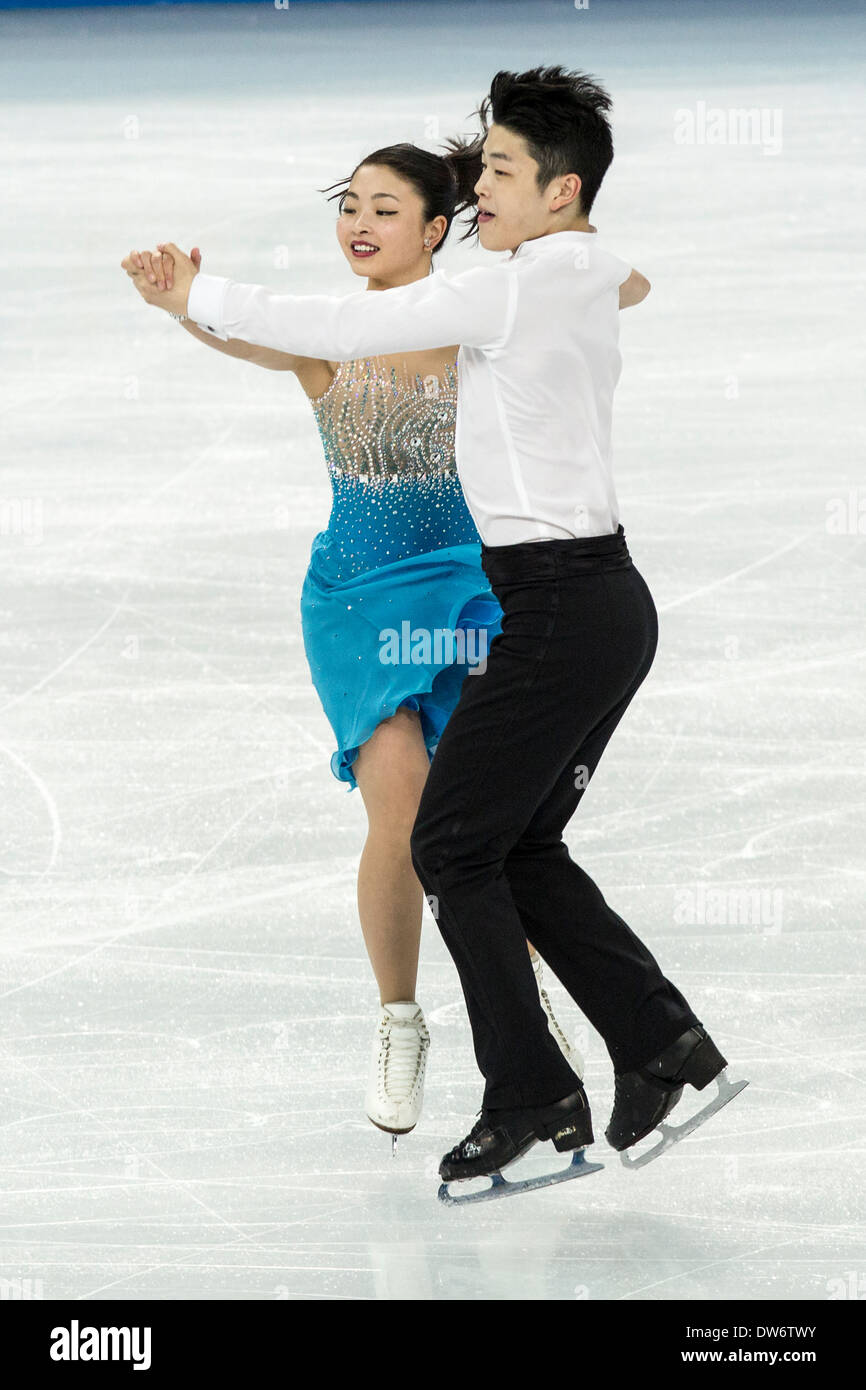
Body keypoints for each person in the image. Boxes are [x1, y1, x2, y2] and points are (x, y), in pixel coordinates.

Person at [124, 65, 731, 1185]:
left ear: (556, 190)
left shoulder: (492, 293)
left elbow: (305, 318)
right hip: (579, 598)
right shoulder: (569, 267)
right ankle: (658, 1048)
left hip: (537, 600)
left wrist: (196, 293)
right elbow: (603, 271)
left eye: (499, 166)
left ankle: (532, 1090)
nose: (482, 180)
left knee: (453, 842)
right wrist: (192, 307)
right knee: (506, 842)